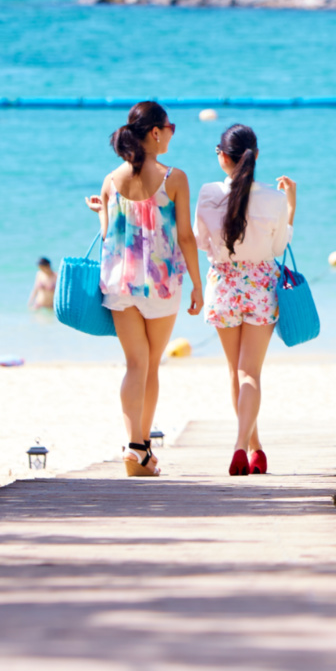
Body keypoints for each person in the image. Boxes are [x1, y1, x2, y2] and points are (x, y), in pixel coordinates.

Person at [85, 101, 201, 477]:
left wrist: (99, 211)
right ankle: (139, 448)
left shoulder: (110, 180)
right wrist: (199, 284)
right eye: (170, 127)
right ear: (155, 131)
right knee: (151, 365)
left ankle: (137, 446)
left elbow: (107, 235)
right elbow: (185, 236)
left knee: (135, 364)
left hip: (120, 282)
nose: (171, 133)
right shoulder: (175, 179)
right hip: (162, 284)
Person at [194, 124, 296, 476]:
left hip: (223, 284)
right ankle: (247, 447)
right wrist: (292, 206)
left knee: (235, 372)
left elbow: (202, 243)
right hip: (261, 286)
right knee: (250, 372)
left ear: (223, 156)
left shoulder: (208, 193)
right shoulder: (274, 198)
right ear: (255, 156)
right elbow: (279, 247)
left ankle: (251, 447)